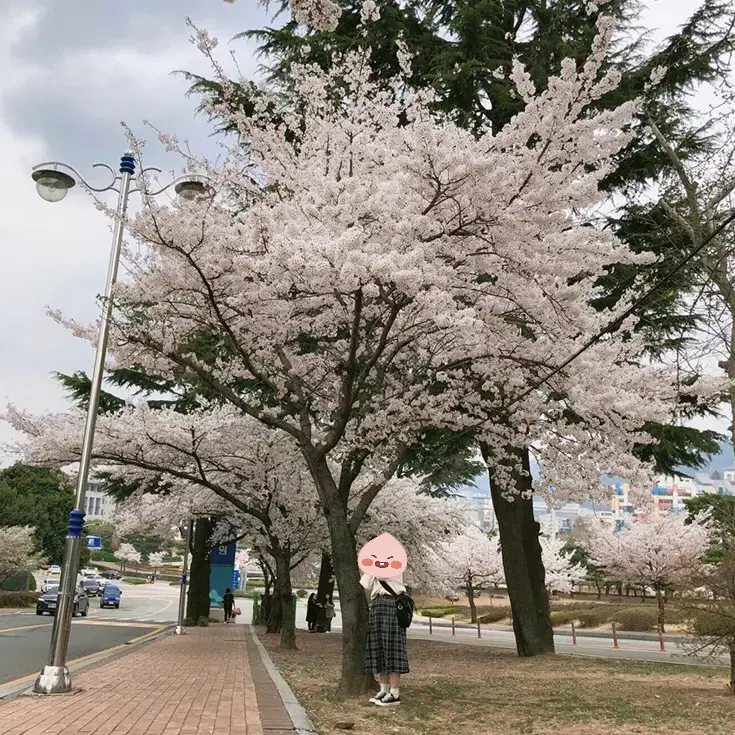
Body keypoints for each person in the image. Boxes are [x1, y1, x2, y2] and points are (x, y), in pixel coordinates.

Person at [362, 572, 408, 707]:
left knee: (393, 646)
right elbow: (366, 584)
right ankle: (384, 690)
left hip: (392, 603)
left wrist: (372, 569)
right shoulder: (375, 566)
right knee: (379, 646)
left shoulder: (395, 562)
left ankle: (394, 693)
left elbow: (375, 578)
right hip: (378, 604)